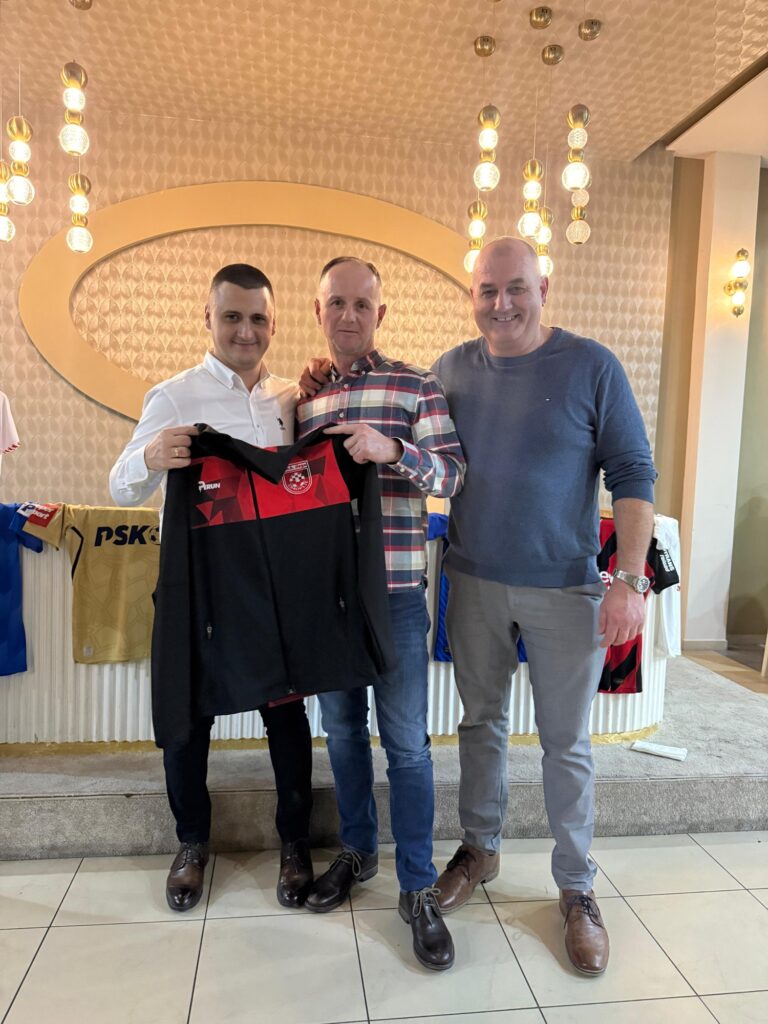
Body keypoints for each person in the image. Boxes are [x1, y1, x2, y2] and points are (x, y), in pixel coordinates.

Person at [431, 237, 657, 976]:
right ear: (473, 295)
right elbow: (410, 442)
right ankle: (480, 849)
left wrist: (629, 579)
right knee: (480, 724)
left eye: (517, 288)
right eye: (488, 290)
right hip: (474, 581)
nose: (502, 304)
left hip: (567, 588)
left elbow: (633, 472)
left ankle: (577, 887)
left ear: (544, 289)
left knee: (567, 743)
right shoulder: (450, 371)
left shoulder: (592, 366)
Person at [109, 263, 315, 913]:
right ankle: (192, 844)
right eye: (231, 316)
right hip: (196, 592)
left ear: (273, 324)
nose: (244, 331)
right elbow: (120, 485)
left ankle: (295, 843)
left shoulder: (292, 400)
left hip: (274, 592)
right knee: (187, 719)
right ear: (208, 318)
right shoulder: (173, 397)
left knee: (287, 720)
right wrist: (149, 457)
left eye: (257, 318)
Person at [297, 256, 465, 971]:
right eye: (336, 302)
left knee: (407, 745)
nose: (348, 315)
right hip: (328, 598)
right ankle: (358, 852)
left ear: (380, 314)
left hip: (395, 594)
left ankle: (418, 884)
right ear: (318, 311)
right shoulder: (303, 404)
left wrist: (393, 449)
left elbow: (453, 474)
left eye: (362, 304)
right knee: (341, 731)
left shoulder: (415, 385)